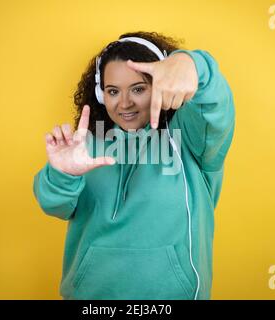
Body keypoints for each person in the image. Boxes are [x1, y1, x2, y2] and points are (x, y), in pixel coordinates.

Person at [33, 31, 235, 300]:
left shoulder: (192, 140)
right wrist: (63, 173)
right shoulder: (86, 147)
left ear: (164, 85)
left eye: (138, 88)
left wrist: (191, 64)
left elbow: (214, 105)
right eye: (113, 91)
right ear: (100, 95)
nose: (125, 103)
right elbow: (55, 205)